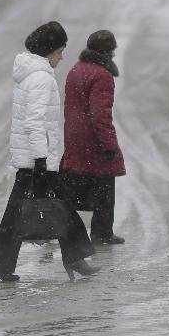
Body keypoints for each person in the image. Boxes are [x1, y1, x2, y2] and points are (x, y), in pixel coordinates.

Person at [0, 21, 99, 282]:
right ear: (48, 51)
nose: (61, 56)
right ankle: (76, 259)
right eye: (60, 51)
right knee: (63, 210)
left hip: (32, 159)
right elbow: (34, 122)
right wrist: (40, 160)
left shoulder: (31, 74)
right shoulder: (40, 78)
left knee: (17, 216)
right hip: (36, 160)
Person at [60, 30, 126, 245]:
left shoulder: (76, 70)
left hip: (75, 135)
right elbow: (101, 114)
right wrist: (109, 145)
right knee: (105, 184)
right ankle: (102, 232)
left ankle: (64, 227)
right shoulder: (102, 75)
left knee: (73, 184)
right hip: (93, 139)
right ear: (109, 51)